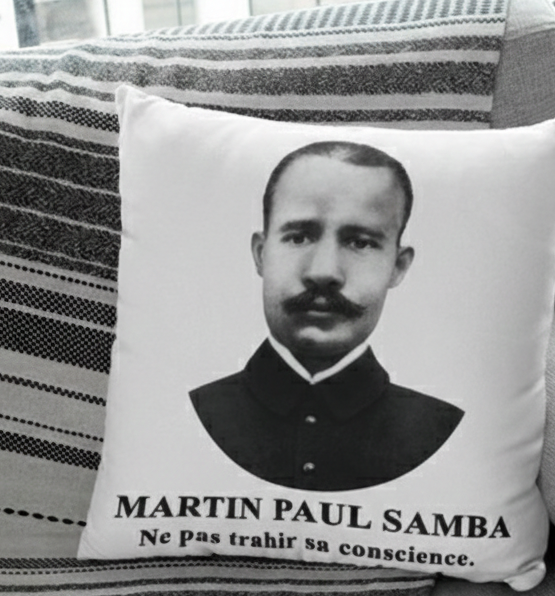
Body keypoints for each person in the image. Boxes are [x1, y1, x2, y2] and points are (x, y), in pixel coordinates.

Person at [189, 140, 463, 491]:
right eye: (299, 237)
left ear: (397, 266)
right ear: (261, 254)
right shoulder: (193, 414)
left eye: (360, 242)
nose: (324, 271)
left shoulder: (441, 429)